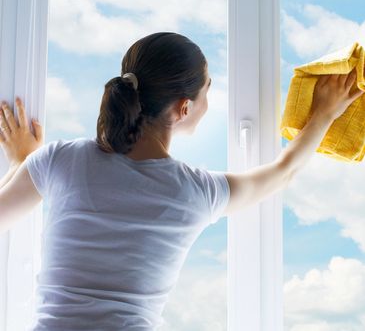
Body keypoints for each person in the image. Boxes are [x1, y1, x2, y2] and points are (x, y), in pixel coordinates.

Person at [0, 31, 363, 330]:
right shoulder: (193, 192)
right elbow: (284, 171)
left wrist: (23, 163)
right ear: (184, 108)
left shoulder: (60, 159)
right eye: (208, 88)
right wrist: (325, 113)